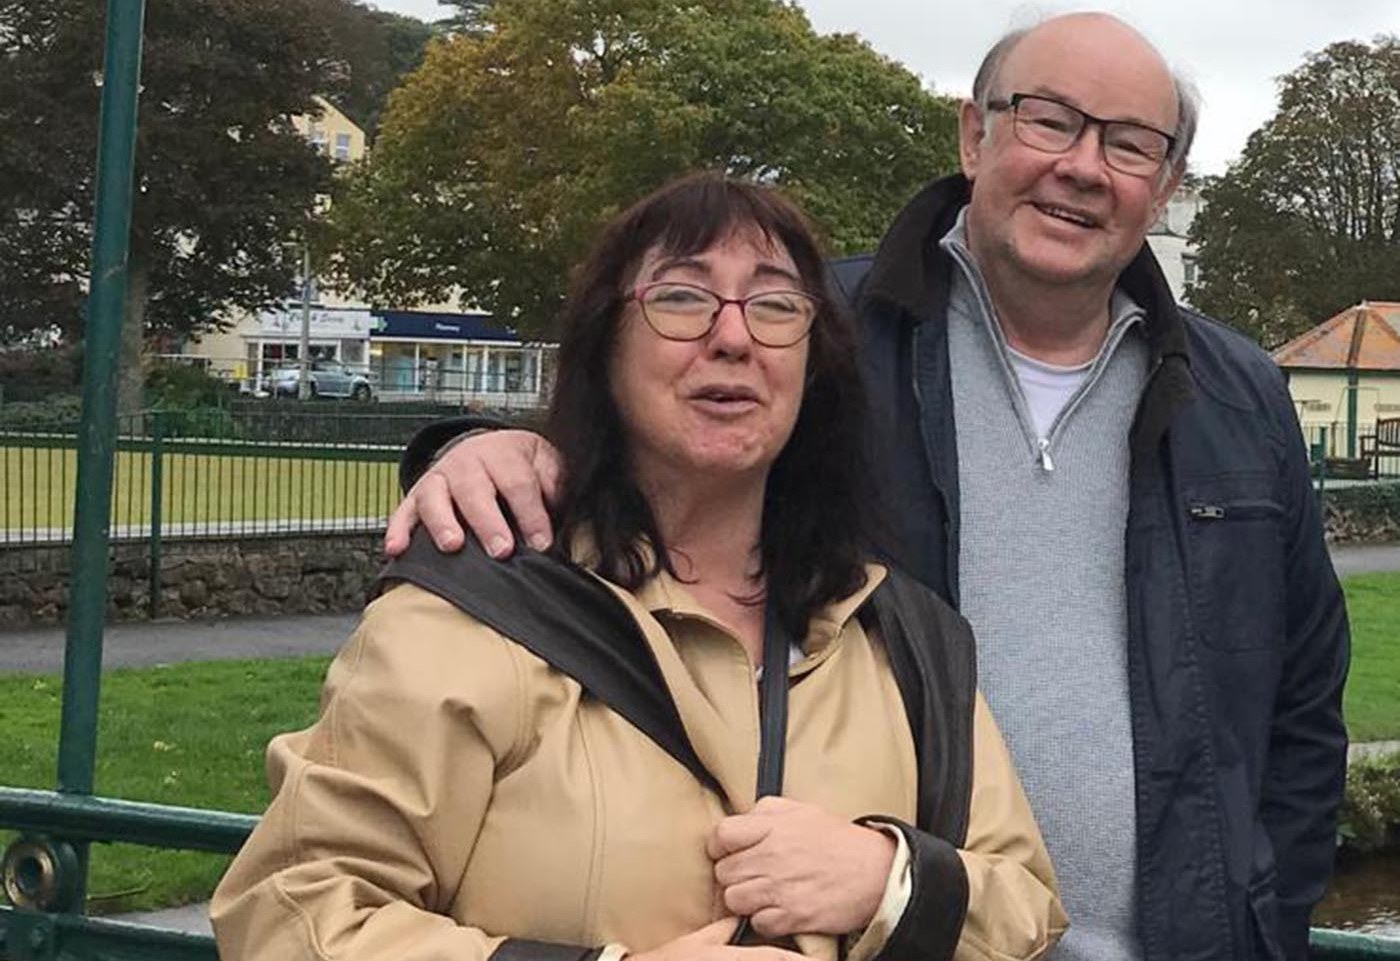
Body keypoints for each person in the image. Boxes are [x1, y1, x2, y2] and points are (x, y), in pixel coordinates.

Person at [385, 14, 1350, 961]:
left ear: (1167, 182)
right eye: (1049, 119)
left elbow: (1303, 700)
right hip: (888, 929)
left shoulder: (1242, 393)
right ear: (975, 133)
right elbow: (639, 425)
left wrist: (1272, 919)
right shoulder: (816, 332)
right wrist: (485, 447)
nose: (1083, 166)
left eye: (1131, 143)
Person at [212, 174, 1066, 961]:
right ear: (604, 347)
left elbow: (1026, 905)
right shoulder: (478, 611)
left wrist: (890, 880)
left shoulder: (902, 638)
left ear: (815, 363)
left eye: (775, 305)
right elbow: (290, 911)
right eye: (682, 298)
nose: (732, 337)